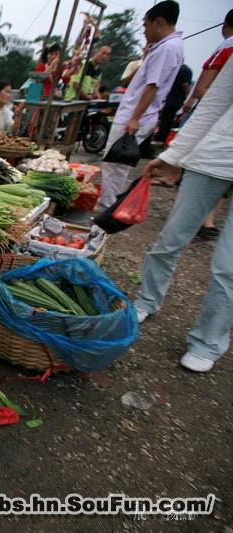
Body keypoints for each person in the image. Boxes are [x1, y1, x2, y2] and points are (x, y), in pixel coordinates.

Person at [133, 59, 233, 373]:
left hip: (213, 157)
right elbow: (213, 104)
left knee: (228, 267)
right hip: (213, 157)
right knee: (170, 238)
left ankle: (207, 342)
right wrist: (173, 155)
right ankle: (147, 299)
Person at [97, 0, 183, 210]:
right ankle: (111, 204)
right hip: (137, 115)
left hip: (134, 117)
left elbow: (152, 87)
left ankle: (108, 207)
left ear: (159, 22)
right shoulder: (165, 47)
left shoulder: (167, 49)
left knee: (114, 166)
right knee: (117, 166)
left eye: (145, 25)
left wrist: (134, 118)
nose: (144, 31)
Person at [178, 9, 233, 239]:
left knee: (204, 172)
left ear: (224, 25)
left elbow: (201, 89)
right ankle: (206, 221)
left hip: (215, 130)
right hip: (219, 133)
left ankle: (193, 221)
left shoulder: (227, 45)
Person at [152, 64, 192, 146]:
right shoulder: (186, 70)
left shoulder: (170, 68)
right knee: (168, 121)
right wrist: (188, 93)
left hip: (162, 96)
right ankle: (160, 140)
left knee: (159, 119)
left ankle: (154, 138)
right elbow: (185, 85)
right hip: (175, 99)